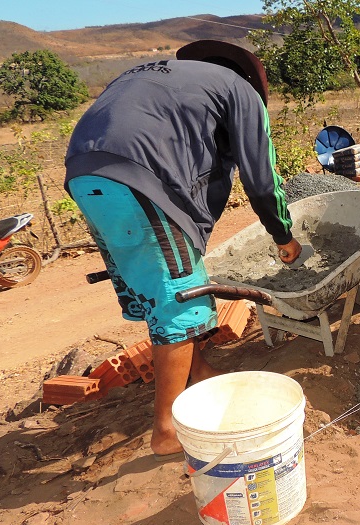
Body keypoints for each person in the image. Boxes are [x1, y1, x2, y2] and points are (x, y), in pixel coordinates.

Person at [64, 40, 302, 459]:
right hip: (138, 178)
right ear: (251, 80)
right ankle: (167, 430)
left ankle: (198, 372)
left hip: (84, 175)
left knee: (156, 289)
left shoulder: (156, 78)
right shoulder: (239, 90)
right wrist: (283, 236)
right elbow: (261, 178)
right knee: (180, 299)